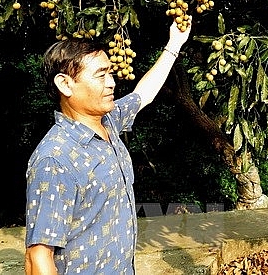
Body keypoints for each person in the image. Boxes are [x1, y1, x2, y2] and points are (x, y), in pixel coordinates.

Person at [24, 18, 191, 274]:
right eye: (100, 75)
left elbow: (144, 94)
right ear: (65, 84)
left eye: (110, 73)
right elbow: (38, 258)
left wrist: (174, 44)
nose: (112, 82)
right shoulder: (55, 160)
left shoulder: (109, 121)